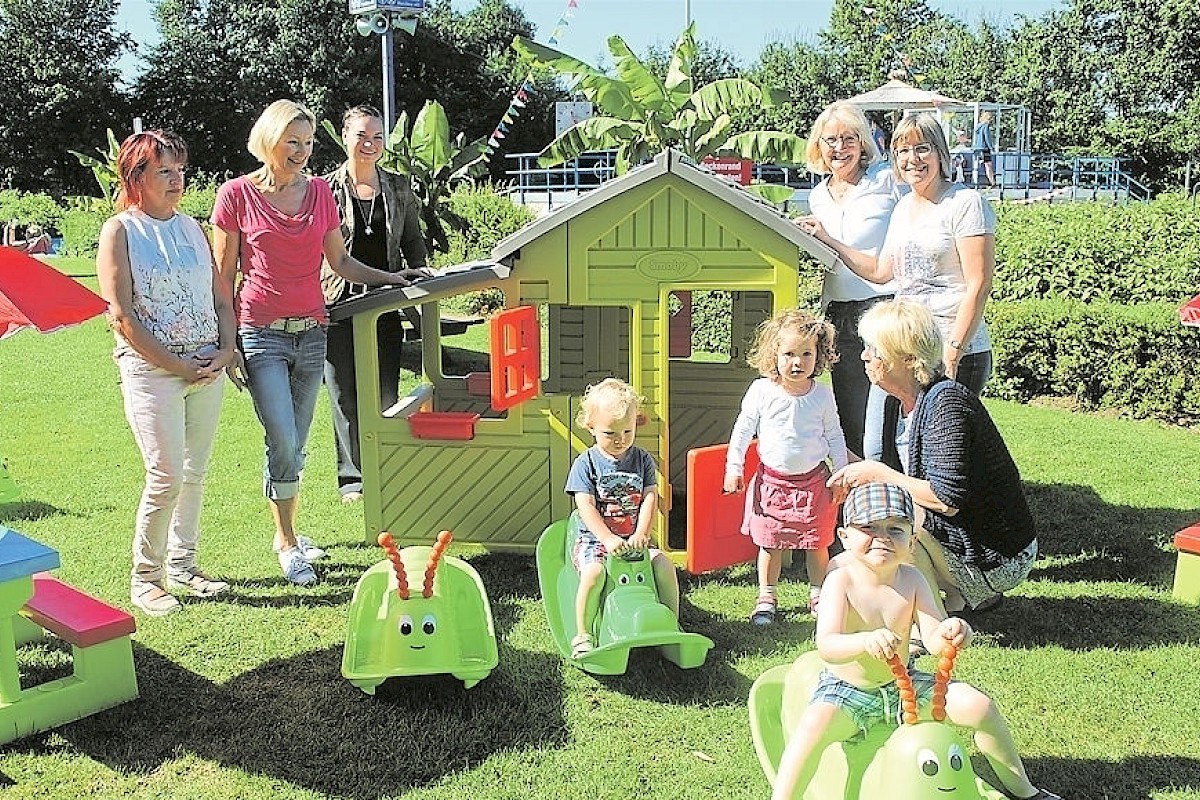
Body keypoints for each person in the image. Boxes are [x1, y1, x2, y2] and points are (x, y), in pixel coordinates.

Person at [212, 99, 419, 586]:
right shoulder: (235, 195)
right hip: (260, 334)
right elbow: (222, 278)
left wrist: (393, 277)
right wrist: (229, 342)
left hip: (311, 333)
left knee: (296, 443)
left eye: (307, 143)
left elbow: (342, 265)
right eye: (292, 142)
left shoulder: (320, 194)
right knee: (282, 436)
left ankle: (290, 531)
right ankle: (286, 543)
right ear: (269, 141)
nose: (302, 152)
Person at [770, 482, 1061, 800]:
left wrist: (954, 631)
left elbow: (934, 637)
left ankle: (1025, 790)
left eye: (895, 529)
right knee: (811, 731)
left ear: (912, 540)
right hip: (848, 692)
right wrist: (865, 641)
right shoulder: (841, 581)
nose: (882, 538)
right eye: (869, 527)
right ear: (845, 537)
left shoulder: (914, 580)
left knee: (981, 707)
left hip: (903, 686)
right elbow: (827, 645)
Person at [96, 130, 239, 616]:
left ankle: (184, 565)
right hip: (152, 372)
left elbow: (220, 295)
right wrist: (178, 365)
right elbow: (121, 315)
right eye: (165, 171)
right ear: (136, 178)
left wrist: (226, 348)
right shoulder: (120, 231)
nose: (178, 179)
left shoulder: (193, 228)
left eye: (180, 170)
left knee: (194, 474)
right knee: (166, 475)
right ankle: (146, 578)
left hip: (207, 365)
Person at [828, 300, 1038, 615]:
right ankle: (959, 597)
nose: (864, 355)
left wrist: (878, 473)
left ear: (908, 359)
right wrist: (823, 450)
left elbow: (946, 500)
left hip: (999, 555)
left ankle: (930, 621)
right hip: (962, 539)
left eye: (874, 349)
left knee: (894, 514)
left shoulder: (946, 404)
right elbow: (891, 475)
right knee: (878, 521)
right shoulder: (895, 400)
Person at [802, 113, 998, 401]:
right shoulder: (904, 207)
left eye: (922, 148)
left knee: (941, 444)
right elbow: (881, 271)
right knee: (879, 445)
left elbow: (979, 284)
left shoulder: (966, 203)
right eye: (903, 151)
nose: (913, 159)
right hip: (905, 347)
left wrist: (953, 352)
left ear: (939, 152)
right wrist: (829, 241)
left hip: (951, 349)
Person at [322, 105, 429, 504]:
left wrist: (421, 276)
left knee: (384, 388)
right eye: (361, 136)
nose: (369, 144)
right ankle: (353, 478)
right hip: (337, 301)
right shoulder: (324, 189)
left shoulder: (399, 186)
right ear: (345, 138)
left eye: (377, 137)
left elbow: (413, 240)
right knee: (343, 390)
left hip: (388, 296)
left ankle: (384, 467)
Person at [724, 309, 848, 624]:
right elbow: (742, 430)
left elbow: (834, 435)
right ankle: (767, 596)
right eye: (789, 354)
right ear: (774, 354)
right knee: (770, 543)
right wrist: (733, 467)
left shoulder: (822, 395)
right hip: (772, 485)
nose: (797, 362)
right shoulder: (762, 391)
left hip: (814, 484)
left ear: (818, 356)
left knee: (817, 544)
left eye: (806, 354)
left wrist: (841, 474)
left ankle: (819, 594)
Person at [801, 101, 904, 458]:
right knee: (851, 414)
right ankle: (864, 496)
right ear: (818, 147)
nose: (839, 147)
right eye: (830, 140)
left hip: (881, 306)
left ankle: (898, 487)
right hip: (838, 311)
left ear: (863, 144)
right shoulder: (817, 195)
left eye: (848, 138)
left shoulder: (887, 182)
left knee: (888, 405)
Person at [565, 378, 680, 658]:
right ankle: (583, 633)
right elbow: (586, 506)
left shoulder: (641, 459)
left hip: (633, 538)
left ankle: (672, 624)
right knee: (595, 574)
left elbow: (650, 496)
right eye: (610, 433)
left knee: (664, 565)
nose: (620, 440)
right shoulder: (586, 464)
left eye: (627, 431)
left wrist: (642, 531)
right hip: (595, 539)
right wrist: (606, 537)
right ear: (591, 427)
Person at [973, 110, 995, 187]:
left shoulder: (978, 127)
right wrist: (991, 147)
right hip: (985, 148)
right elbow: (987, 137)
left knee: (977, 165)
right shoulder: (986, 126)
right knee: (989, 165)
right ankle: (993, 182)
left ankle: (975, 182)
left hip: (977, 148)